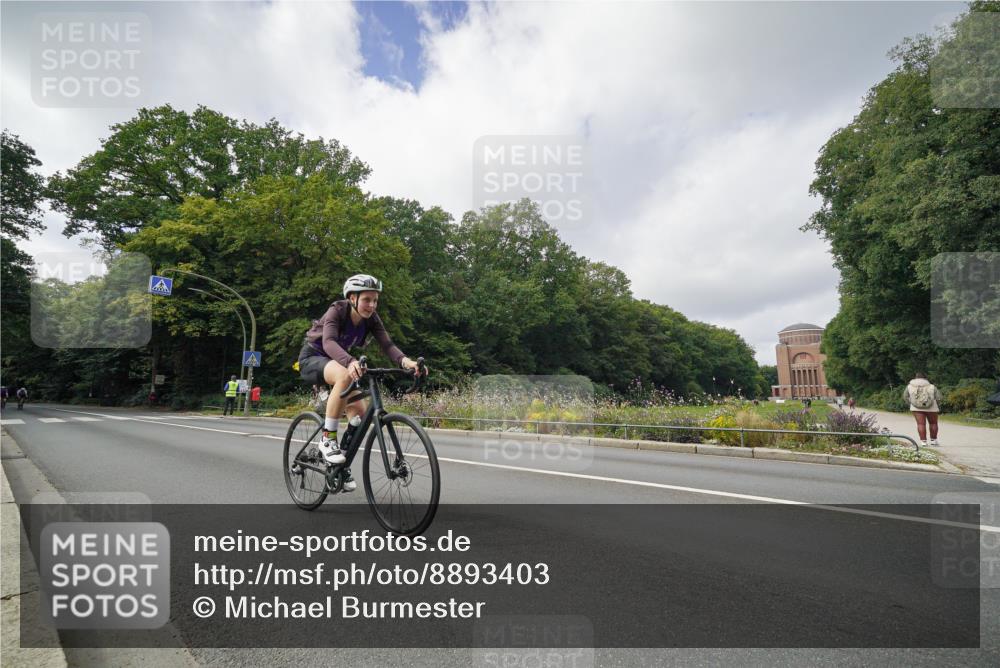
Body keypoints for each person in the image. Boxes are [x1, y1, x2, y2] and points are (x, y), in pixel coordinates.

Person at [298, 274, 425, 492]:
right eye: (367, 299)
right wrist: (350, 361)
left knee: (359, 413)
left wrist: (407, 362)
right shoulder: (337, 310)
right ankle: (327, 439)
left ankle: (340, 465)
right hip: (313, 358)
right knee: (346, 375)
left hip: (338, 361)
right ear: (352, 298)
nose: (372, 305)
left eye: (375, 300)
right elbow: (328, 342)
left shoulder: (372, 319)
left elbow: (388, 345)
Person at [903, 372, 944, 447]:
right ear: (925, 378)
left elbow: (905, 397)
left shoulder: (909, 386)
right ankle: (934, 441)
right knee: (933, 423)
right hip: (932, 407)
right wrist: (936, 404)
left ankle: (923, 442)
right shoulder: (932, 386)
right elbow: (939, 397)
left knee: (921, 424)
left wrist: (911, 404)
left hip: (916, 408)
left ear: (915, 378)